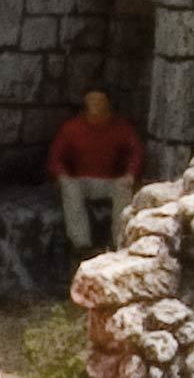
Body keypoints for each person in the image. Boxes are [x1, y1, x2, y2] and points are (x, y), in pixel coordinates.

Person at [46, 87, 144, 256]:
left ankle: (120, 241)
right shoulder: (72, 128)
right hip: (80, 181)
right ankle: (81, 245)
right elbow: (55, 157)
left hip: (111, 181)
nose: (95, 105)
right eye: (92, 101)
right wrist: (62, 175)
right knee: (70, 188)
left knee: (123, 189)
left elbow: (137, 152)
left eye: (99, 101)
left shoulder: (121, 128)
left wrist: (130, 174)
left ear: (108, 104)